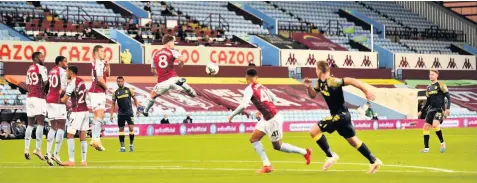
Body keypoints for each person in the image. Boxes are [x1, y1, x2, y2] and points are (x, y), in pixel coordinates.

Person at [303, 61, 382, 174]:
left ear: (319, 70)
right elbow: (312, 95)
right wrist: (308, 87)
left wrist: (366, 91)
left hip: (341, 116)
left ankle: (330, 155)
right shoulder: (320, 83)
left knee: (313, 130)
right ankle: (374, 160)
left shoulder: (333, 81)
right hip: (342, 117)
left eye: (316, 69)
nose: (315, 71)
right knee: (353, 141)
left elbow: (351, 80)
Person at [228, 68, 312, 174]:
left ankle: (305, 152)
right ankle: (267, 165)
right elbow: (275, 99)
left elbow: (243, 105)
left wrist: (232, 115)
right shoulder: (262, 86)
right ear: (257, 78)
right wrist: (263, 110)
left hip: (273, 120)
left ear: (246, 78)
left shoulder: (249, 89)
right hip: (267, 118)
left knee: (277, 146)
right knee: (254, 139)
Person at [139, 34, 196, 117]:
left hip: (162, 82)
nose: (174, 44)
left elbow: (153, 70)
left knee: (152, 96)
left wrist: (161, 73)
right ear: (169, 43)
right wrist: (181, 62)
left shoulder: (155, 54)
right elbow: (183, 58)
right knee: (192, 94)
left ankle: (145, 111)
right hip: (173, 79)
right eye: (173, 42)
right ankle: (184, 86)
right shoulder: (172, 51)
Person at [60, 65, 89, 166]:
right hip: (85, 111)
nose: (66, 73)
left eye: (67, 71)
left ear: (71, 73)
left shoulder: (72, 83)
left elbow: (64, 100)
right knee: (82, 135)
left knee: (70, 134)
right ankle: (84, 161)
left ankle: (71, 160)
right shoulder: (81, 81)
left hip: (77, 112)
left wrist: (57, 97)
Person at [418, 69, 451, 153]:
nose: (430, 76)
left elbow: (448, 97)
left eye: (432, 74)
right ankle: (426, 148)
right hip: (431, 110)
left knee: (435, 124)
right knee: (425, 127)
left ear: (437, 75)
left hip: (439, 109)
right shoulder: (428, 88)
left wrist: (447, 108)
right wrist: (421, 111)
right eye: (430, 74)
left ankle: (442, 143)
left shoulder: (441, 85)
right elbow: (428, 102)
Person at [44, 56, 68, 166]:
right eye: (65, 61)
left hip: (49, 100)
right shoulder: (63, 72)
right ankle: (56, 153)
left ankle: (48, 153)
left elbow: (48, 85)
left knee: (53, 127)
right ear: (59, 62)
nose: (67, 63)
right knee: (62, 126)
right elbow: (63, 89)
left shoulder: (52, 71)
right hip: (58, 101)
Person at [25, 51, 48, 161]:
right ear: (35, 58)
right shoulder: (41, 68)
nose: (43, 58)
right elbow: (46, 82)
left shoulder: (29, 69)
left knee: (30, 124)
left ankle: (26, 148)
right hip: (39, 97)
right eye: (41, 57)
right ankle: (37, 149)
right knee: (40, 123)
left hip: (29, 97)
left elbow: (28, 85)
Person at [89, 45, 110, 151]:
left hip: (97, 92)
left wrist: (108, 64)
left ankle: (94, 139)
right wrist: (108, 89)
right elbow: (100, 79)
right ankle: (96, 139)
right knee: (100, 115)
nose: (104, 53)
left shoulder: (100, 63)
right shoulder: (98, 62)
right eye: (102, 51)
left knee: (97, 116)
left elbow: (108, 74)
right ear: (96, 52)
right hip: (97, 91)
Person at [110, 76, 139, 152]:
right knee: (121, 130)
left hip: (129, 113)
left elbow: (135, 100)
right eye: (118, 81)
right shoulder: (115, 92)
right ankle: (122, 147)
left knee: (131, 129)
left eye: (121, 81)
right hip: (121, 114)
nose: (119, 83)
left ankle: (131, 145)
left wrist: (138, 109)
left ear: (123, 82)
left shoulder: (129, 90)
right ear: (117, 82)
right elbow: (113, 104)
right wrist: (111, 114)